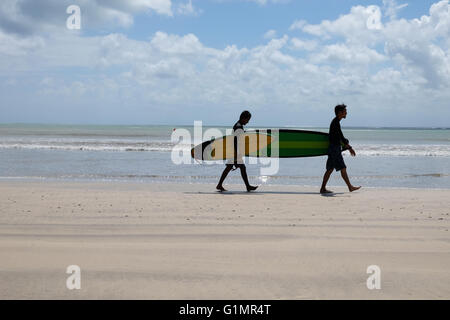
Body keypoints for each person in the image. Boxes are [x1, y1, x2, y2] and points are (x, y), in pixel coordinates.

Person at [320, 104, 361, 194]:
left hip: (333, 148)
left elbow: (340, 137)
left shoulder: (336, 122)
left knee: (330, 169)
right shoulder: (335, 123)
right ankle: (350, 187)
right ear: (340, 113)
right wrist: (349, 147)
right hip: (334, 149)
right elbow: (340, 137)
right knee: (343, 168)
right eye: (344, 111)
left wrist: (346, 144)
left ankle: (322, 188)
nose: (346, 113)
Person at [216, 111, 258, 192]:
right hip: (234, 151)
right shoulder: (238, 127)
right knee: (241, 167)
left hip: (234, 151)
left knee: (230, 167)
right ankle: (248, 186)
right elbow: (235, 141)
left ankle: (219, 184)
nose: (248, 121)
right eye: (247, 119)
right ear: (243, 118)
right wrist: (235, 155)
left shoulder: (239, 125)